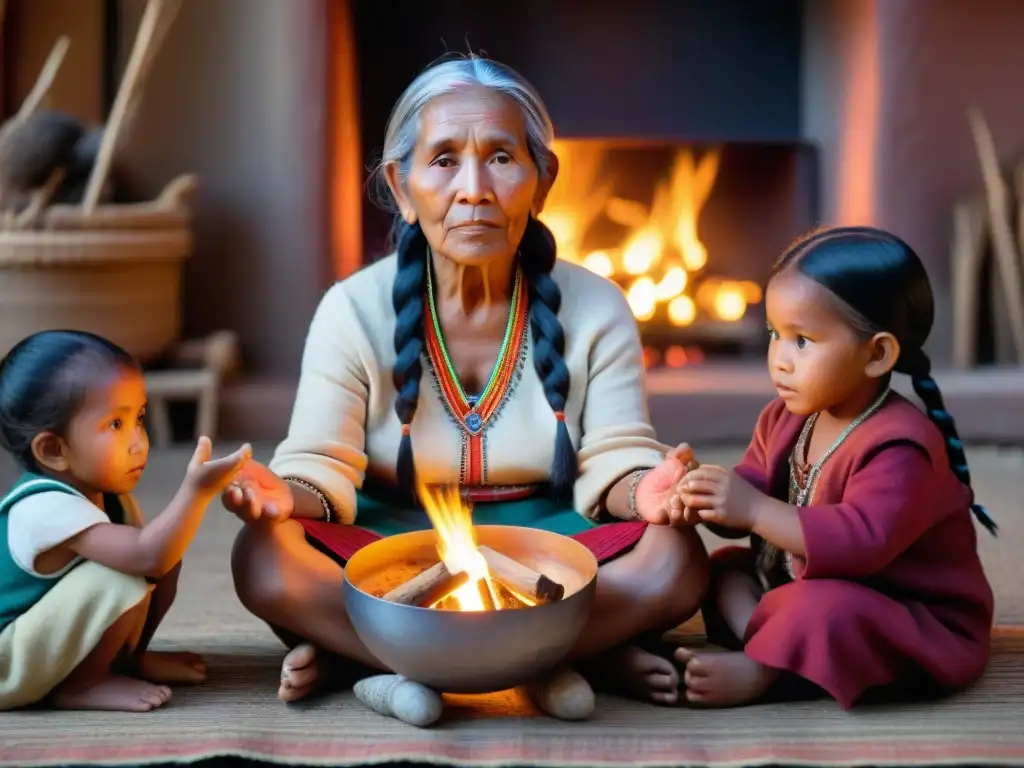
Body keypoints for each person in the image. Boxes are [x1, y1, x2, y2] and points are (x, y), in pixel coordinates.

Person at [225, 55, 710, 720]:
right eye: (445, 159)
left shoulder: (597, 307)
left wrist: (646, 488)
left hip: (550, 539)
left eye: (503, 158)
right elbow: (320, 464)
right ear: (401, 184)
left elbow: (618, 457)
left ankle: (378, 664)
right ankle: (561, 659)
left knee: (676, 559)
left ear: (541, 181)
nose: (475, 188)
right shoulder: (352, 308)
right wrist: (282, 495)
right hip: (392, 539)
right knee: (264, 558)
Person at [670, 226, 996, 709]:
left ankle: (768, 669)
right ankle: (779, 643)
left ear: (878, 354)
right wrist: (705, 493)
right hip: (798, 583)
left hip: (897, 610)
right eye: (775, 335)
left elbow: (860, 543)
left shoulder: (901, 445)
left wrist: (755, 511)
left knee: (823, 609)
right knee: (724, 570)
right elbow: (754, 485)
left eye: (802, 341)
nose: (780, 359)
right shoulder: (787, 416)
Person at [0, 330, 250, 712]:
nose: (139, 441)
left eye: (140, 418)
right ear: (54, 450)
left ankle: (127, 659)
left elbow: (159, 559)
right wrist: (195, 492)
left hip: (40, 644)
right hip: (8, 662)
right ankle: (83, 684)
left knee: (164, 559)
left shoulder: (106, 496)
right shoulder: (44, 508)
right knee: (123, 572)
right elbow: (146, 555)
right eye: (116, 425)